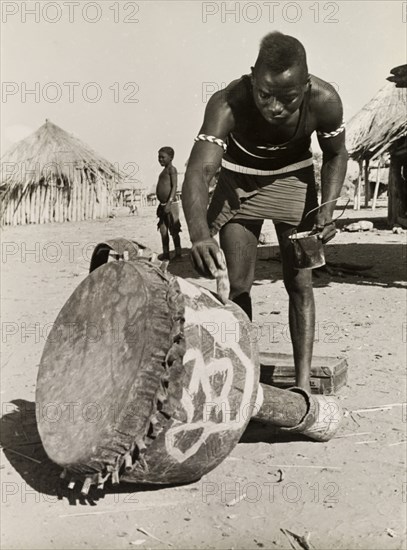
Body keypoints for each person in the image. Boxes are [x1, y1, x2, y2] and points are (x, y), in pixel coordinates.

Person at [182, 32, 348, 392]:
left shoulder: (326, 100)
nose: (274, 107)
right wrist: (199, 234)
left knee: (300, 282)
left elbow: (336, 154)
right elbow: (198, 171)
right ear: (253, 76)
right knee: (238, 284)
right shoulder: (227, 103)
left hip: (294, 182)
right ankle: (242, 381)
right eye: (264, 94)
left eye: (288, 98)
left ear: (306, 85)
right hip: (238, 184)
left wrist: (326, 211)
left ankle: (303, 386)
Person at [156, 146, 182, 260]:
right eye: (159, 157)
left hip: (171, 205)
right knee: (163, 230)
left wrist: (169, 203)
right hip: (163, 205)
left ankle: (178, 253)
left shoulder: (172, 169)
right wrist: (161, 205)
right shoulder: (164, 171)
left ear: (171, 158)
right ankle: (166, 253)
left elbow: (174, 186)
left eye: (163, 157)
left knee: (174, 229)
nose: (160, 159)